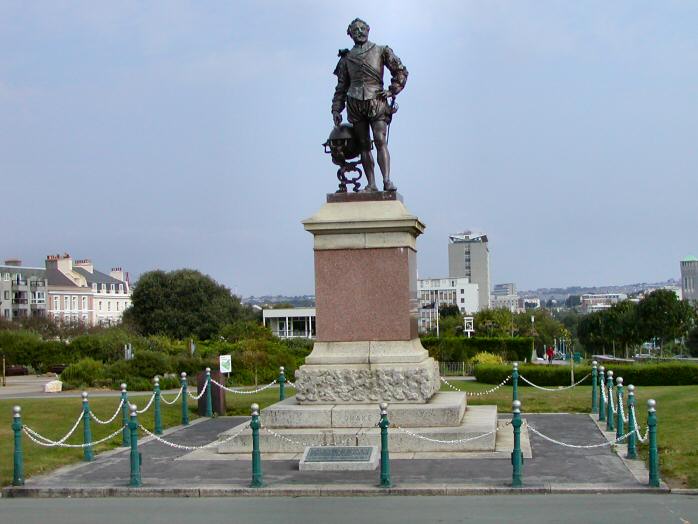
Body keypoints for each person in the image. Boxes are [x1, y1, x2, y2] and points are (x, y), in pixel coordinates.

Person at [331, 18, 408, 192]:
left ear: (368, 30)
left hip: (377, 100)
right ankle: (371, 184)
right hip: (355, 102)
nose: (359, 32)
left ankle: (387, 180)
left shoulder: (381, 51)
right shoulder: (346, 59)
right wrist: (336, 109)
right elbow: (341, 87)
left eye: (362, 29)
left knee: (380, 140)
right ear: (349, 34)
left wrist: (392, 89)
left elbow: (400, 71)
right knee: (364, 144)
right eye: (355, 30)